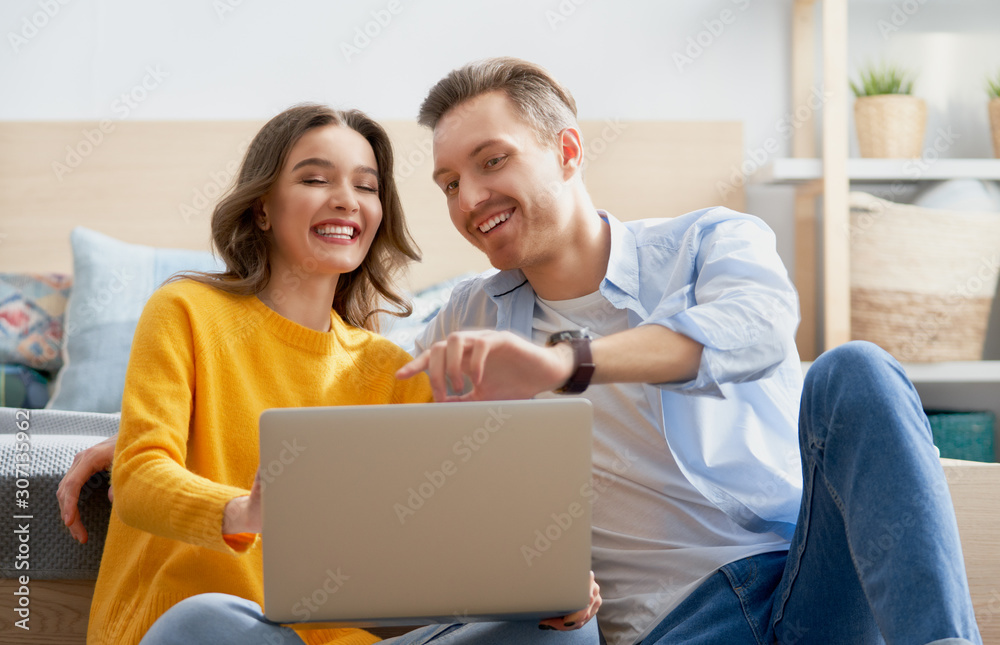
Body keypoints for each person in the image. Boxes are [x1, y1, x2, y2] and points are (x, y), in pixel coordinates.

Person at [65, 56, 981, 644]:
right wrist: (131, 441)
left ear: (569, 149)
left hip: (803, 580)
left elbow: (753, 333)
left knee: (858, 369)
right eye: (449, 182)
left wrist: (570, 365)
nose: (469, 200)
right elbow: (349, 418)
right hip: (663, 631)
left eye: (492, 162)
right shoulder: (462, 319)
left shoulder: (708, 243)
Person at [80, 103, 434, 645]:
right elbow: (137, 478)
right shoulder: (185, 310)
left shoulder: (392, 370)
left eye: (367, 187)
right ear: (263, 209)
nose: (346, 199)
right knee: (211, 622)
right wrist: (244, 510)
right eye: (316, 179)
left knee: (558, 625)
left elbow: (443, 529)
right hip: (198, 628)